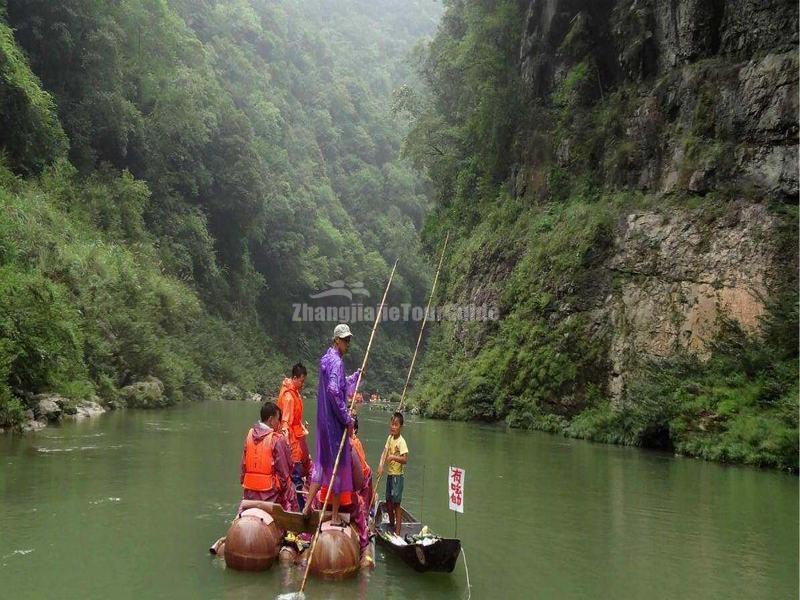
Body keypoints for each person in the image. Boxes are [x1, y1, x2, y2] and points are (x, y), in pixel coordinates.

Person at [304, 323, 361, 527]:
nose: (347, 344)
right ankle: (335, 515)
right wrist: (347, 419)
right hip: (334, 424)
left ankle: (307, 505)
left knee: (321, 463)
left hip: (323, 422)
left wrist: (354, 377)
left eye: (348, 340)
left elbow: (338, 385)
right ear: (336, 340)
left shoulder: (326, 360)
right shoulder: (336, 362)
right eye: (344, 340)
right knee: (338, 466)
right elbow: (335, 391)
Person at [239, 401, 298, 513]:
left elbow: (243, 470)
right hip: (271, 497)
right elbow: (285, 473)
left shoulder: (249, 436)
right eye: (277, 420)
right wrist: (294, 504)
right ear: (271, 419)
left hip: (249, 495)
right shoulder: (277, 439)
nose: (279, 423)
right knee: (290, 510)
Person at [277, 363, 311, 510]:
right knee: (296, 478)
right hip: (292, 443)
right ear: (295, 378)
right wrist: (287, 445)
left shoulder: (293, 392)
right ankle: (299, 510)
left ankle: (295, 506)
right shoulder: (289, 397)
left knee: (295, 477)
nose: (302, 384)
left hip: (295, 438)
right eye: (301, 381)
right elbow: (285, 421)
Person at [377, 412, 408, 536]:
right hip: (390, 475)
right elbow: (384, 452)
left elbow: (405, 459)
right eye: (392, 424)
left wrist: (394, 457)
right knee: (388, 503)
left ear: (401, 427)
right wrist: (380, 465)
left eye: (396, 425)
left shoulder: (401, 442)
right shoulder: (390, 438)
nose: (393, 427)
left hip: (397, 477)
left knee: (396, 504)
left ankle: (398, 532)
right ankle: (391, 524)